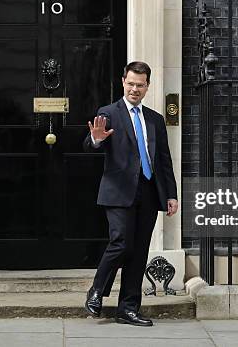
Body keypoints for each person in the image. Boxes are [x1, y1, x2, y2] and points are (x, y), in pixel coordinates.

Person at [83, 61, 178, 327]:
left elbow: (164, 160)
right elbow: (89, 144)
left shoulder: (155, 119)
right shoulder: (109, 113)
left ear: (147, 86)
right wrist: (97, 139)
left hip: (148, 191)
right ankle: (97, 291)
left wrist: (171, 194)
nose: (135, 89)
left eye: (140, 85)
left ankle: (128, 308)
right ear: (123, 82)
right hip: (118, 192)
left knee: (138, 252)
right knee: (121, 242)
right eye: (131, 83)